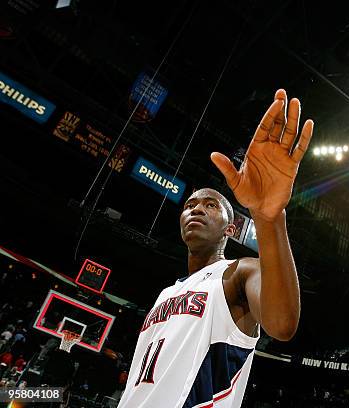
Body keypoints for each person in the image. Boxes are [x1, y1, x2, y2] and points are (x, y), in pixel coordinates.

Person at [118, 89, 314, 408]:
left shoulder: (239, 273)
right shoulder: (165, 294)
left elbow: (282, 324)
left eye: (210, 205)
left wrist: (269, 218)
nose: (196, 209)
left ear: (230, 228)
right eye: (190, 205)